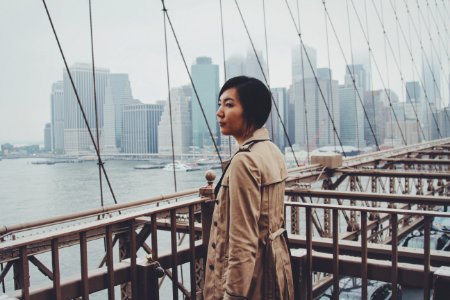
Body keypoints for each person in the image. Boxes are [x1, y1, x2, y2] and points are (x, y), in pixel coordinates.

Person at [204, 76, 294, 300]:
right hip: (275, 269)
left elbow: (242, 240)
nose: (220, 112)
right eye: (220, 104)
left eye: (229, 104)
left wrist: (234, 295)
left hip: (250, 284)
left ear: (250, 111)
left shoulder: (244, 161)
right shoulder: (272, 151)